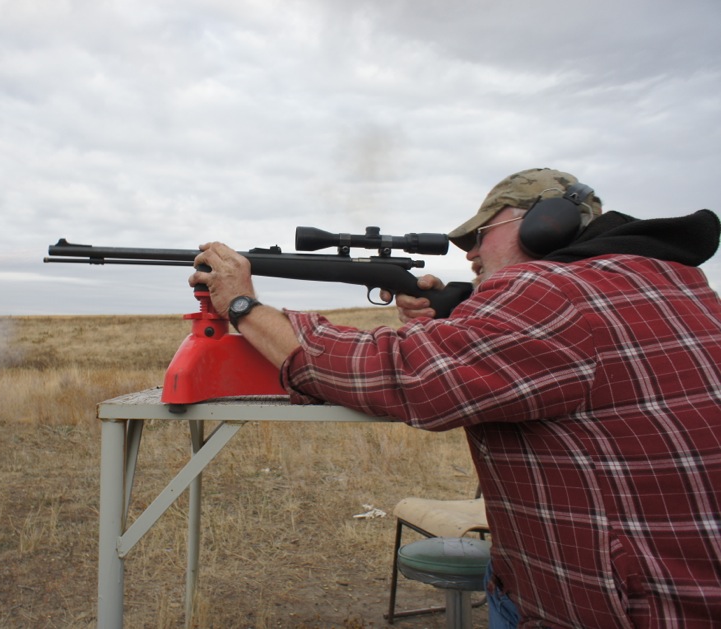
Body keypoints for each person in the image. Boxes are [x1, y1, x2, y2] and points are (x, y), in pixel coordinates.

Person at [190, 168, 721, 627]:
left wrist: (243, 305)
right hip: (646, 585)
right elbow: (524, 364)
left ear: (546, 223)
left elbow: (405, 375)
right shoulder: (667, 279)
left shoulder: (554, 294)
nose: (470, 252)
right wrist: (451, 316)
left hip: (615, 607)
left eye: (481, 235)